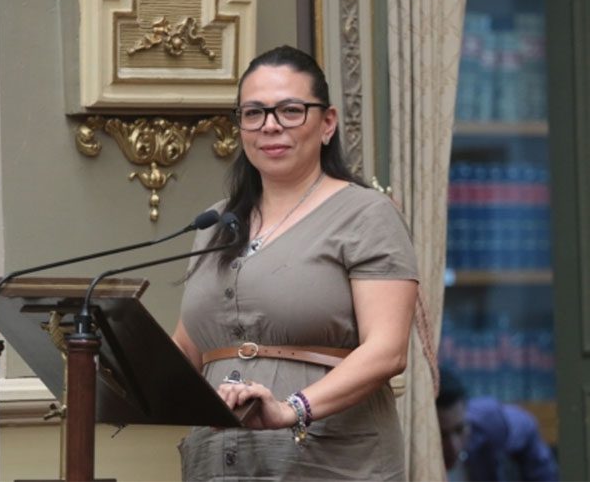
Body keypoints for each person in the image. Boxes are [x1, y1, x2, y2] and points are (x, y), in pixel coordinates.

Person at [171, 45, 419, 480]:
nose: (270, 125)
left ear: (327, 123)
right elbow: (189, 350)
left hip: (333, 463)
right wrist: (106, 358)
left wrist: (292, 409)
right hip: (218, 464)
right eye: (254, 113)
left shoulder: (367, 214)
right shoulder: (215, 223)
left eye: (290, 110)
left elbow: (388, 351)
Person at [436, 367, 559, 482]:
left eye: (460, 430)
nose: (454, 446)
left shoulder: (488, 421)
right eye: (442, 435)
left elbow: (527, 426)